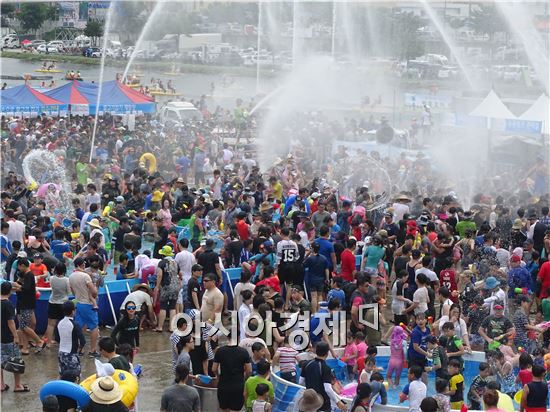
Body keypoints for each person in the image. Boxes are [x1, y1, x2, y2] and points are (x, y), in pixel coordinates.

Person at [299, 341, 346, 412]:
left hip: (309, 401)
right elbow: (327, 389)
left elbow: (300, 382)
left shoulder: (306, 364)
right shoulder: (326, 368)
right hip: (323, 403)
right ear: (327, 353)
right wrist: (337, 402)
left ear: (316, 351)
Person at [13, 257, 46, 355]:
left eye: (19, 267)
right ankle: (26, 345)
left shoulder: (29, 275)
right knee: (25, 325)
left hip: (25, 304)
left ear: (22, 266)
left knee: (23, 326)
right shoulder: (27, 275)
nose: (19, 269)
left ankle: (38, 341)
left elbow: (26, 288)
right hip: (27, 303)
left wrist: (16, 285)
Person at [1, 281, 28, 393]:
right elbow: (10, 322)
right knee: (16, 360)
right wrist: (16, 336)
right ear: (10, 291)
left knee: (0, 360)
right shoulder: (8, 304)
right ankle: (17, 385)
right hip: (8, 337)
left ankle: (1, 384)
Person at [212, 336, 252, 412]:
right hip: (238, 385)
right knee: (235, 409)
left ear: (227, 337)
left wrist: (218, 377)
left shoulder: (220, 351)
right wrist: (244, 378)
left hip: (223, 384)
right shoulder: (243, 351)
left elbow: (214, 369)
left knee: (223, 409)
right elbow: (249, 370)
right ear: (238, 337)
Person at [69, 257, 99, 357]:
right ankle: (93, 350)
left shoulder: (71, 276)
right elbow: (94, 292)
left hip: (78, 304)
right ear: (82, 265)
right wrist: (94, 295)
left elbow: (72, 291)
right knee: (94, 327)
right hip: (88, 304)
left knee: (80, 327)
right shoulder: (86, 276)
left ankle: (80, 349)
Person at [55, 300, 85, 377]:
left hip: (61, 353)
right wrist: (80, 348)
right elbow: (83, 340)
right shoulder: (75, 324)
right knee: (75, 376)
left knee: (63, 376)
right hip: (71, 354)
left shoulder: (59, 323)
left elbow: (57, 339)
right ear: (73, 311)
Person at [44, 262, 71, 347]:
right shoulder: (67, 280)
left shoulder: (52, 278)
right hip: (63, 303)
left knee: (50, 324)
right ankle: (63, 341)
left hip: (52, 302)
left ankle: (48, 343)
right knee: (64, 323)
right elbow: (69, 292)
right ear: (64, 271)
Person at [155, 246, 180, 333]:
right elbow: (179, 274)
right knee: (172, 307)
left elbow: (159, 275)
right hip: (175, 286)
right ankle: (171, 327)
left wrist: (157, 286)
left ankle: (160, 327)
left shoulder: (161, 263)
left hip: (166, 286)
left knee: (163, 307)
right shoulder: (175, 262)